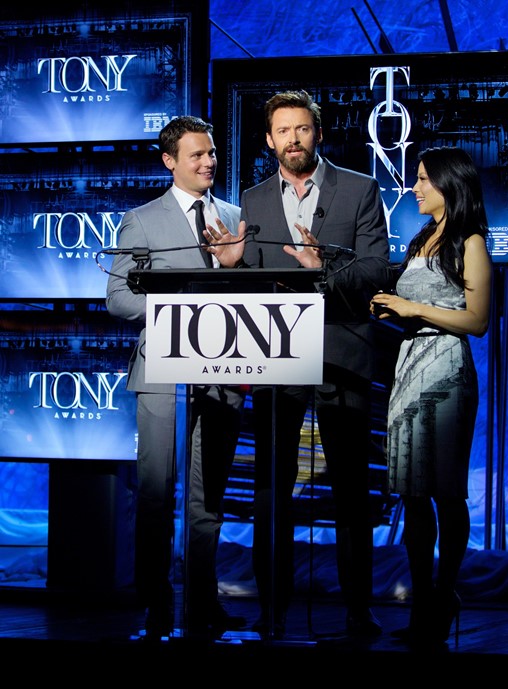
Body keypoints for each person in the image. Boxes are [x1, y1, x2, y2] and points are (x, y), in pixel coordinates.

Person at [205, 89, 395, 638]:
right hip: (276, 356)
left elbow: (376, 271)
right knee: (272, 486)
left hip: (342, 351)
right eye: (283, 131)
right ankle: (273, 608)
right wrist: (234, 266)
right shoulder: (253, 198)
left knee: (351, 488)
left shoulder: (360, 189)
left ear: (318, 133)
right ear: (269, 140)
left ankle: (358, 609)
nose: (294, 139)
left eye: (302, 129)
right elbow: (255, 288)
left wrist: (322, 270)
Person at [106, 116, 247, 640]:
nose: (209, 162)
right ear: (170, 161)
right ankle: (156, 603)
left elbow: (251, 295)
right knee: (156, 493)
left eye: (211, 153)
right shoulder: (141, 220)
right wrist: (177, 310)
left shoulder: (235, 217)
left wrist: (233, 269)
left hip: (223, 375)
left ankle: (204, 601)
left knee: (208, 499)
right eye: (197, 155)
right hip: (163, 376)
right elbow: (118, 298)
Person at [370, 146, 492, 646]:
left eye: (423, 179)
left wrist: (412, 308)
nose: (415, 187)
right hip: (408, 365)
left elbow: (477, 321)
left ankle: (444, 594)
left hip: (445, 369)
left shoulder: (471, 242)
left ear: (449, 184)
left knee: (445, 491)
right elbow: (416, 303)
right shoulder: (422, 238)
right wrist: (392, 309)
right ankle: (423, 602)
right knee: (412, 492)